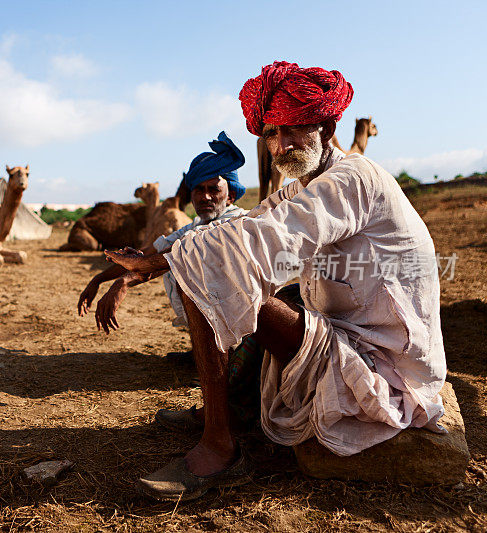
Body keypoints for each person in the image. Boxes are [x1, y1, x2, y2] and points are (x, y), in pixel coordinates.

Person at [105, 61, 447, 501]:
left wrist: (166, 263)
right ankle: (231, 406)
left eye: (294, 130)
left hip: (386, 364)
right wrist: (159, 256)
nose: (281, 145)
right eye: (271, 133)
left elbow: (265, 238)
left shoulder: (355, 177)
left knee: (206, 271)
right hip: (346, 337)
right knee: (221, 264)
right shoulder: (303, 184)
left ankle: (219, 447)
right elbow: (249, 223)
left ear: (325, 126)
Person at [77, 131, 248, 339]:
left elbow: (175, 256)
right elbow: (149, 254)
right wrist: (98, 279)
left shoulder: (235, 223)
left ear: (230, 196)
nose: (205, 196)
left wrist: (124, 282)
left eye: (213, 189)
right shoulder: (194, 226)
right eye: (198, 189)